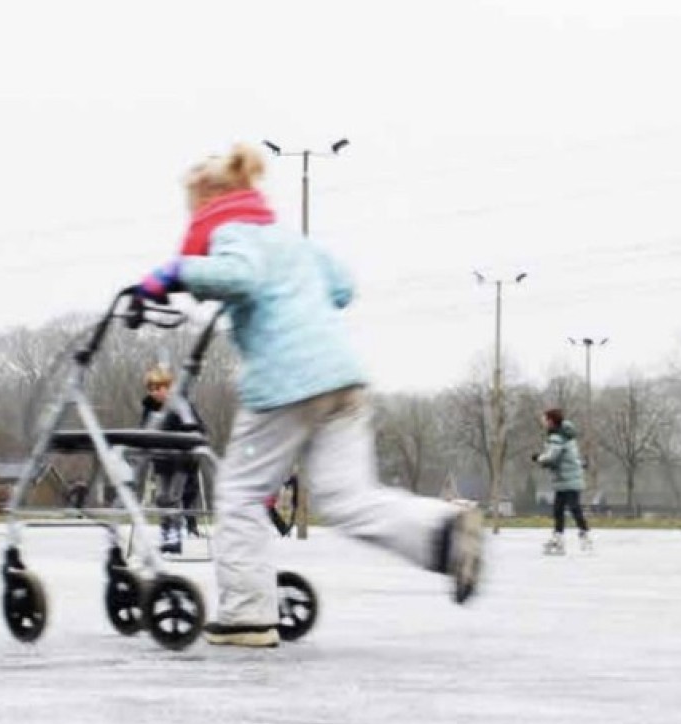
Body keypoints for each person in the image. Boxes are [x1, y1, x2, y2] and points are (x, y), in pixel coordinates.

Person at [135, 143, 484, 648]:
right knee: (348, 499)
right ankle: (443, 533)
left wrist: (177, 273)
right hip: (343, 379)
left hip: (285, 384)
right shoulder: (290, 240)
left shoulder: (232, 232)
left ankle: (247, 614)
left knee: (239, 495)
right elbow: (342, 287)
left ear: (207, 204)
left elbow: (239, 275)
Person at [141, 365, 207, 555]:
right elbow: (143, 430)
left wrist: (188, 440)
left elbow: (198, 428)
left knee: (173, 498)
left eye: (159, 388)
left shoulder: (181, 405)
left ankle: (175, 536)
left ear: (168, 388)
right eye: (151, 389)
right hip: (161, 461)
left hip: (181, 461)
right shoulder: (149, 408)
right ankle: (165, 532)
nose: (155, 393)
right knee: (161, 498)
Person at [532, 409, 591, 555]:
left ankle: (584, 536)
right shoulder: (565, 435)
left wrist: (538, 458)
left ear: (551, 421)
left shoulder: (557, 438)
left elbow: (552, 457)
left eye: (545, 420)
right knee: (559, 509)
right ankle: (559, 538)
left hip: (568, 478)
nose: (543, 423)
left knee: (573, 507)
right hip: (565, 478)